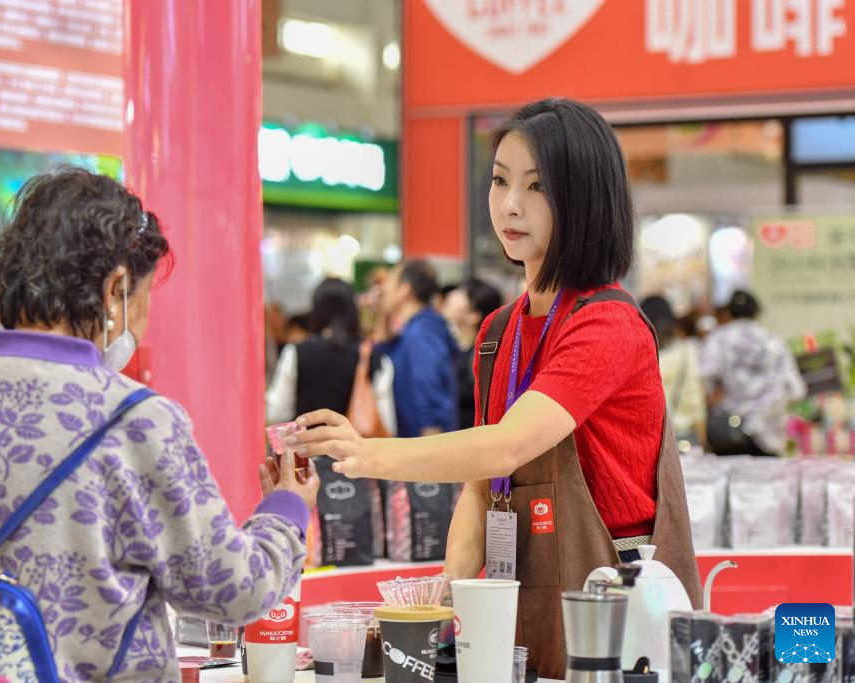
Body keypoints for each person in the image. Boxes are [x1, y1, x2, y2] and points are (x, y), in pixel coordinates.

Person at [0, 168, 319, 681]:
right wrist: (286, 509)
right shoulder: (138, 423)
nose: (142, 320)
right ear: (115, 290)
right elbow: (232, 591)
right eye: (144, 297)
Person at [284, 99, 701, 679]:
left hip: (617, 608)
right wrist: (447, 592)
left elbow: (506, 446)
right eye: (501, 180)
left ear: (584, 199)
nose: (510, 205)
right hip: (524, 597)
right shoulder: (498, 332)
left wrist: (365, 454)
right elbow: (482, 486)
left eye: (537, 186)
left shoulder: (608, 324)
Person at [266, 278, 395, 435]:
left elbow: (276, 412)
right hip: (355, 449)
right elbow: (387, 422)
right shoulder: (375, 358)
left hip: (307, 448)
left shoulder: (296, 352)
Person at [700, 289, 806, 456]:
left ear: (729, 313)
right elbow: (797, 390)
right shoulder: (773, 341)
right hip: (768, 434)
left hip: (728, 431)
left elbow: (703, 379)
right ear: (756, 314)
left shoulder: (718, 339)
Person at [375, 260, 461, 438]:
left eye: (390, 281)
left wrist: (431, 447)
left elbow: (430, 393)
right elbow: (384, 348)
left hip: (425, 442)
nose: (384, 289)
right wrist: (384, 313)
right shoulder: (415, 328)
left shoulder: (421, 333)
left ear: (405, 289)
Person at [640, 295, 707, 452]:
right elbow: (695, 398)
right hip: (685, 439)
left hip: (651, 442)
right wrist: (703, 438)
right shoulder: (686, 351)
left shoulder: (640, 354)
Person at [442, 279, 503, 430]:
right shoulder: (454, 348)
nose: (452, 295)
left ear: (473, 315)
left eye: (463, 294)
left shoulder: (480, 359)